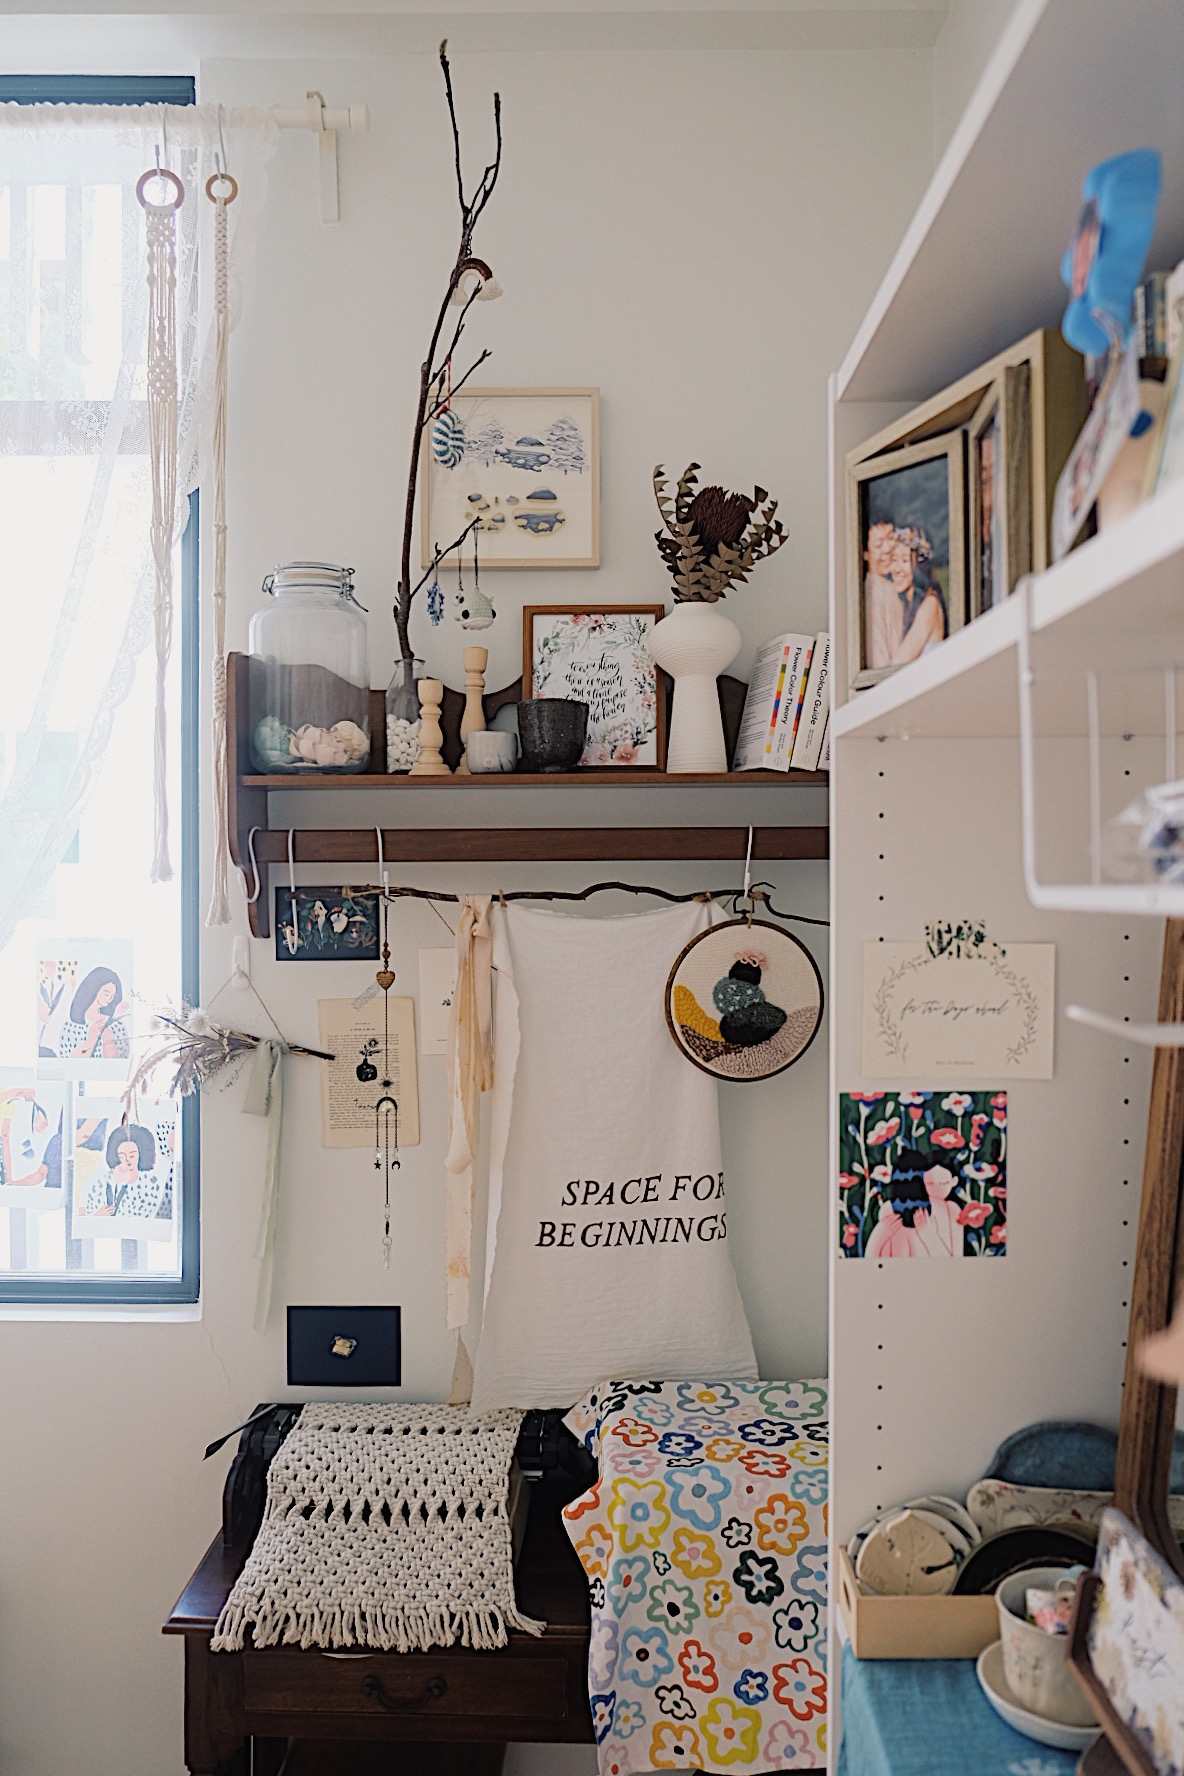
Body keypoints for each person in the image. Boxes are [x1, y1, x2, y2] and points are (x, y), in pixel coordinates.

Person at [864, 1148, 962, 1259]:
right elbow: (875, 1263)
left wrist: (929, 1235)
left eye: (944, 1183)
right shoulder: (890, 1210)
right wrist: (879, 1234)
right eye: (929, 1183)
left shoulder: (950, 1210)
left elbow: (956, 1264)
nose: (937, 1188)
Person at [888, 524, 948, 665]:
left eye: (904, 560)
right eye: (894, 560)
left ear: (919, 566)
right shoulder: (906, 604)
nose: (897, 569)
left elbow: (895, 665)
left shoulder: (929, 605)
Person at [83, 1122, 162, 1218]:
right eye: (122, 1156)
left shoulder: (150, 1184)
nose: (127, 1160)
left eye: (132, 1155)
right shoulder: (102, 1182)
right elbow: (89, 1214)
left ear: (142, 1154)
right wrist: (97, 1215)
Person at [58, 966, 129, 1062]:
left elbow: (119, 1062)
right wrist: (91, 1040)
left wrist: (107, 1038)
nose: (109, 999)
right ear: (93, 988)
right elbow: (68, 1061)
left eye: (112, 996)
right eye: (106, 994)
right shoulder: (72, 1023)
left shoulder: (116, 1025)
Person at [862, 519, 903, 669]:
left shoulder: (891, 587)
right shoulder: (877, 592)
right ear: (865, 553)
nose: (888, 549)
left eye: (891, 538)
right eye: (879, 544)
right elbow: (881, 661)